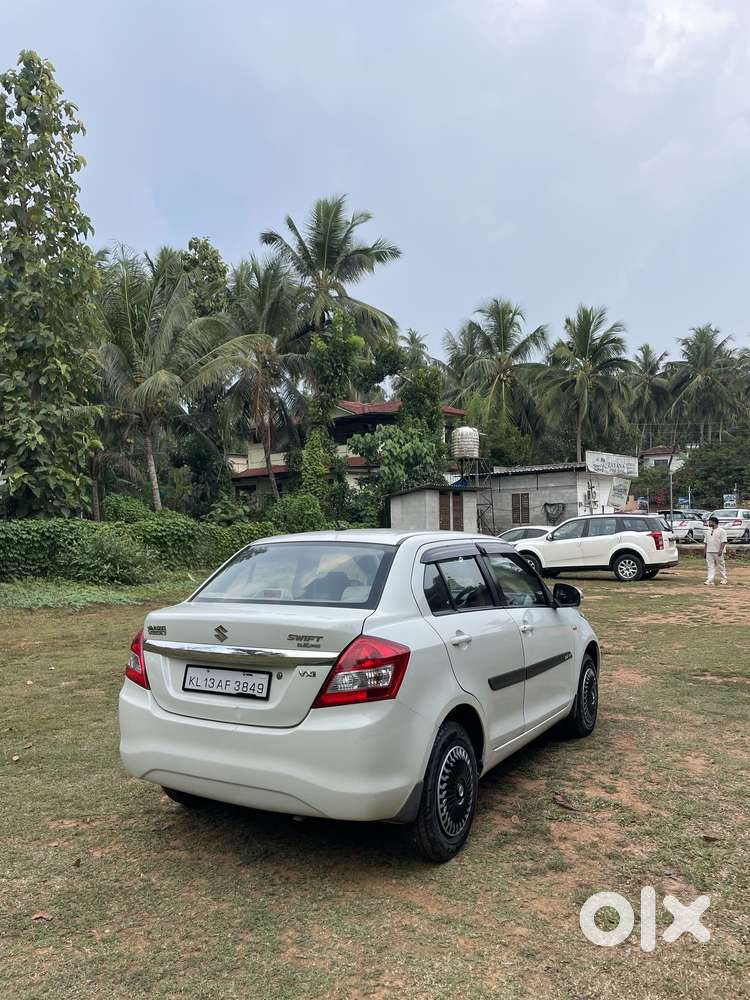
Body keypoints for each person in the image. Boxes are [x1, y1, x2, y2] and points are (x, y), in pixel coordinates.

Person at [704, 516, 728, 586]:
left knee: (721, 565)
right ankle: (710, 580)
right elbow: (706, 542)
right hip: (709, 551)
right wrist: (705, 551)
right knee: (710, 566)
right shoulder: (708, 531)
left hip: (718, 551)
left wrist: (720, 550)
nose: (708, 523)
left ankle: (724, 579)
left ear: (714, 522)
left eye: (710, 522)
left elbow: (723, 542)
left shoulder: (722, 531)